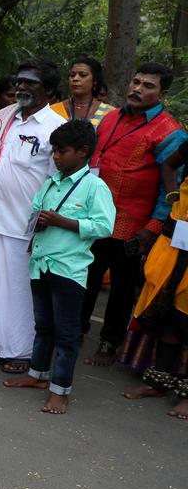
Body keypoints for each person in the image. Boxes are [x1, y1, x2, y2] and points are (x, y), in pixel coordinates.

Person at [2, 119, 115, 414]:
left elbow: (104, 226)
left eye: (62, 151)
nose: (55, 156)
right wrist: (38, 220)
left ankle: (60, 390)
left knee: (66, 334)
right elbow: (35, 210)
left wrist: (62, 221)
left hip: (69, 269)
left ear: (83, 152)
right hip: (40, 263)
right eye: (54, 151)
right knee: (43, 325)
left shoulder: (94, 187)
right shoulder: (51, 183)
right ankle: (37, 374)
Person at [80, 63, 185, 366]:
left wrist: (151, 228)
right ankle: (77, 330)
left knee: (122, 289)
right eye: (136, 81)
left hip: (131, 224)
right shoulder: (110, 117)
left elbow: (171, 188)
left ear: (162, 93)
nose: (138, 89)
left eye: (148, 85)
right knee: (84, 276)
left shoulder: (170, 132)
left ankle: (109, 343)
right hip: (93, 216)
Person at [0, 59, 65, 371]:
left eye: (30, 83)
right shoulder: (1, 118)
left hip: (25, 223)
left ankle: (21, 351)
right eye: (19, 81)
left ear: (48, 90)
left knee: (20, 290)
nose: (21, 87)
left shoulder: (55, 128)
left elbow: (58, 183)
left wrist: (45, 226)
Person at [120, 139, 188, 419]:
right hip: (175, 241)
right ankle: (158, 382)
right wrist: (173, 194)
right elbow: (170, 164)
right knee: (166, 312)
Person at [52, 57, 111, 125]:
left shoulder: (109, 113)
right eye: (72, 75)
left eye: (83, 75)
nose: (75, 79)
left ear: (95, 80)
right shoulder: (53, 110)